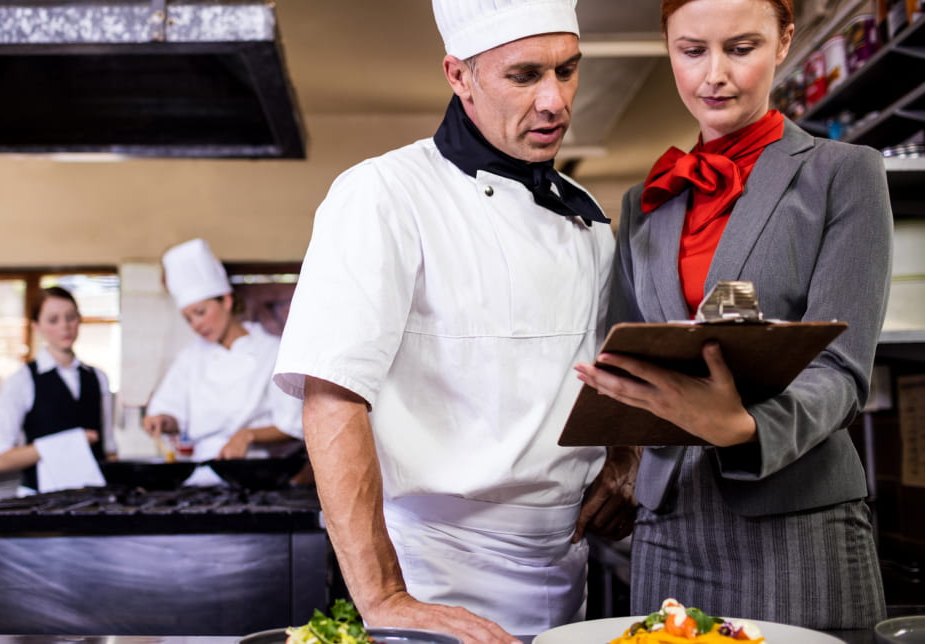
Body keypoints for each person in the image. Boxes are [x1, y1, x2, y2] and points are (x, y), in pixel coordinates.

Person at [272, 1, 640, 640]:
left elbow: (601, 369)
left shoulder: (586, 220)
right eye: (525, 76)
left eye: (568, 70)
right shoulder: (384, 194)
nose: (555, 101)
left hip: (563, 561)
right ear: (458, 76)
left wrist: (624, 458)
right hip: (433, 567)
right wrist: (385, 595)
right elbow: (332, 399)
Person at [573, 0, 891, 630]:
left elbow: (842, 371)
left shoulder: (844, 175)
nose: (714, 74)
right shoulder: (647, 202)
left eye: (740, 49)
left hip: (794, 516)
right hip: (668, 521)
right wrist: (622, 459)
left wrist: (744, 426)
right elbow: (631, 353)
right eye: (692, 51)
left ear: (784, 42)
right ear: (668, 48)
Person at [142, 238, 303, 485]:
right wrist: (163, 420)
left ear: (226, 301)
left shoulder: (271, 351)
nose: (197, 325)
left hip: (256, 473)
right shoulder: (191, 357)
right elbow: (171, 411)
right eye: (189, 319)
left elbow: (293, 426)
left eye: (200, 312)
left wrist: (248, 435)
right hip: (200, 476)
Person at [0, 286, 116, 494]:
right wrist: (69, 443)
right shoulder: (21, 381)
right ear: (36, 326)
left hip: (94, 500)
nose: (65, 326)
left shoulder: (98, 378)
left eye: (71, 317)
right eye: (53, 320)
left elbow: (109, 450)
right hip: (40, 500)